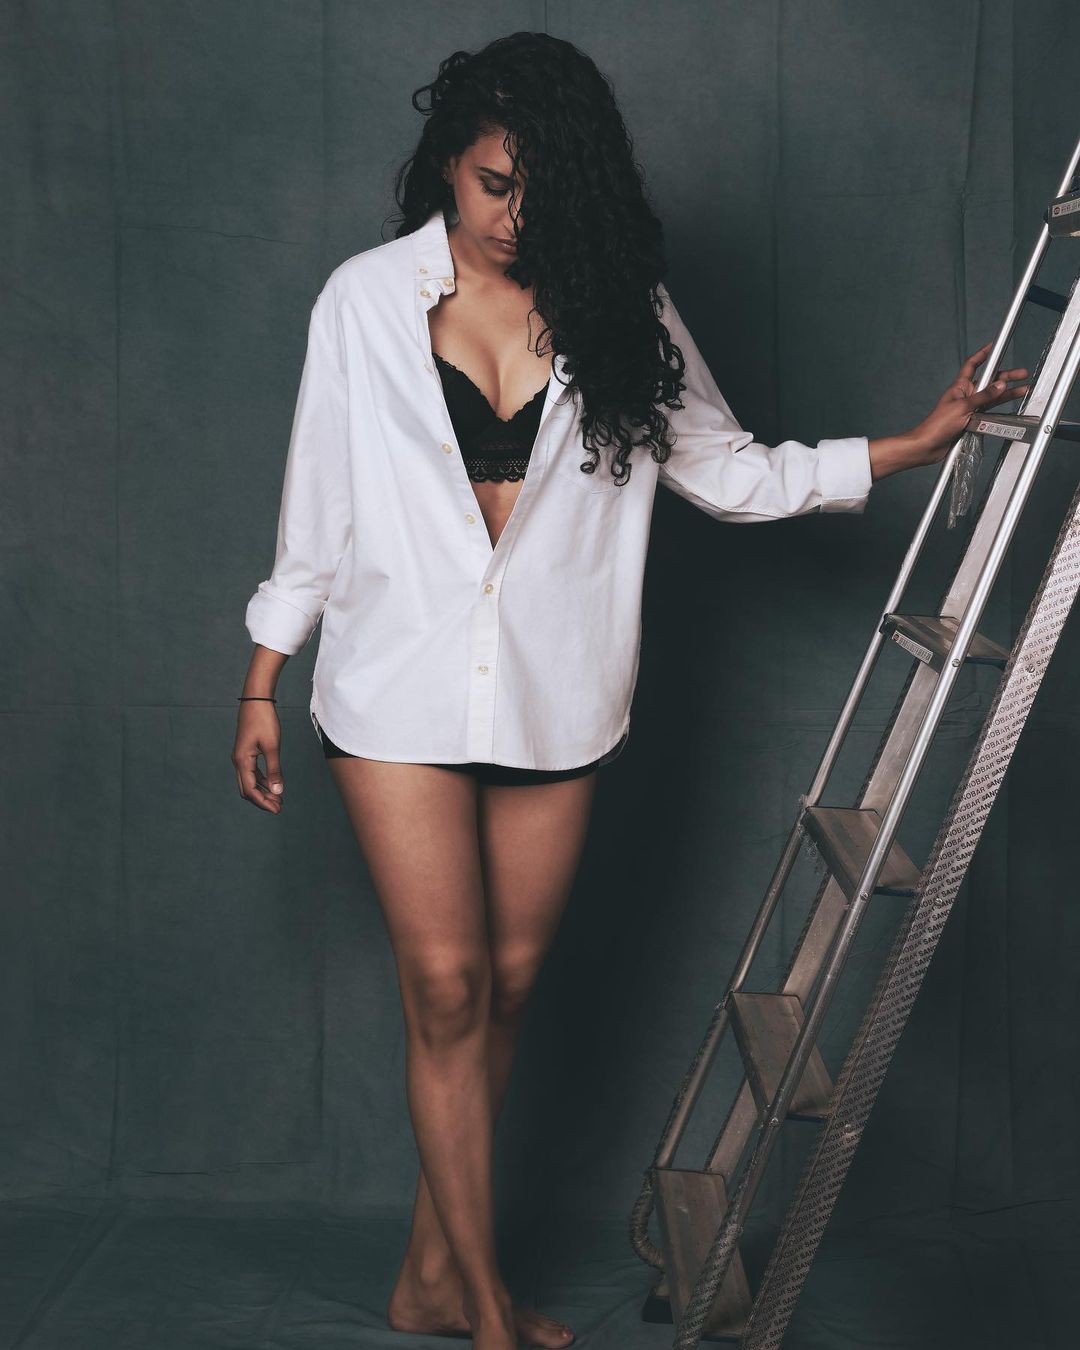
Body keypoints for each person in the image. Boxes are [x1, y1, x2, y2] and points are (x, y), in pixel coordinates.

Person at [232, 32, 1029, 1350]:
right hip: (391, 686)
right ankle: (487, 1309)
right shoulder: (362, 303)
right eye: (493, 184)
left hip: (558, 690)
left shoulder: (618, 307)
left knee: (507, 986)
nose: (513, 216)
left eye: (540, 192)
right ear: (446, 163)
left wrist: (910, 444)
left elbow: (733, 471)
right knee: (447, 987)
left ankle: (431, 1277)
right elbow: (316, 511)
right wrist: (264, 678)